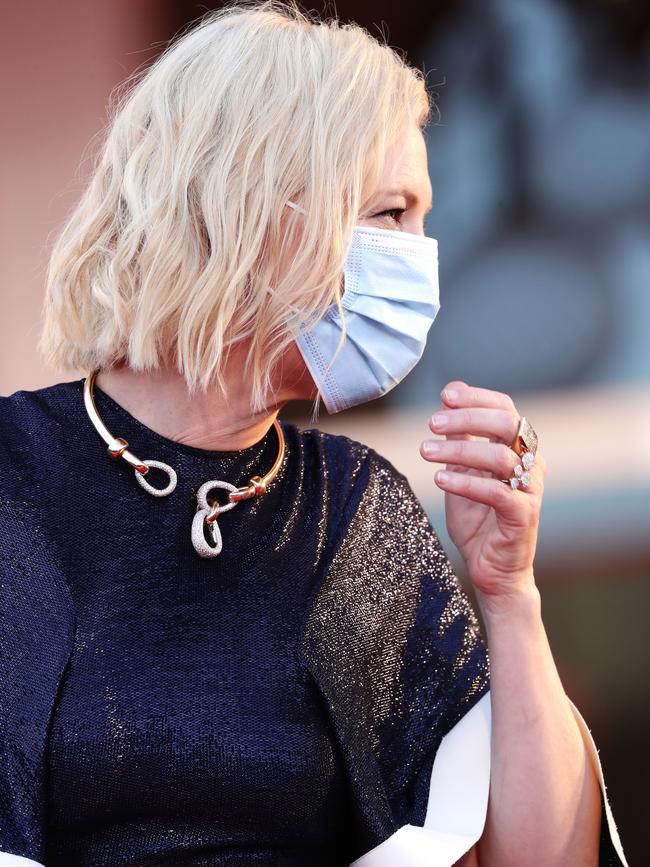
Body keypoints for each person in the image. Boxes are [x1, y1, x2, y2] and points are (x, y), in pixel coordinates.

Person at [0, 2, 629, 866]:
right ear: (253, 205)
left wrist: (511, 595)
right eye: (391, 214)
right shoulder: (16, 477)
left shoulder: (354, 508)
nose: (421, 255)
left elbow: (545, 859)